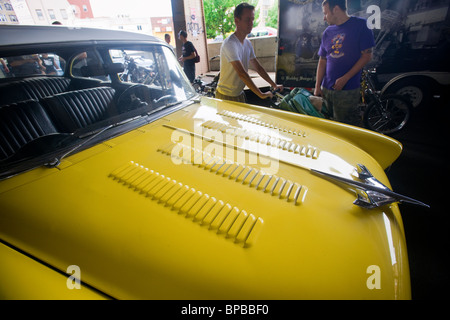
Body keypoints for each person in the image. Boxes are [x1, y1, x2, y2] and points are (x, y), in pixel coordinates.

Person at [314, 0, 375, 126]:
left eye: (325, 13)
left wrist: (346, 78)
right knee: (327, 124)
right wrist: (317, 86)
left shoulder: (361, 25)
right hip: (326, 89)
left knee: (344, 126)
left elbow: (367, 56)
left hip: (347, 90)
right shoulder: (328, 32)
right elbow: (323, 60)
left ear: (336, 9)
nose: (324, 18)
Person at [216, 3, 283, 102]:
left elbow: (258, 68)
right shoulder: (230, 43)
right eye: (247, 20)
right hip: (226, 96)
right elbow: (242, 73)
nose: (251, 23)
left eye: (252, 19)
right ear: (236, 21)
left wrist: (274, 85)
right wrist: (261, 94)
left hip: (239, 94)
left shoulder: (247, 43)